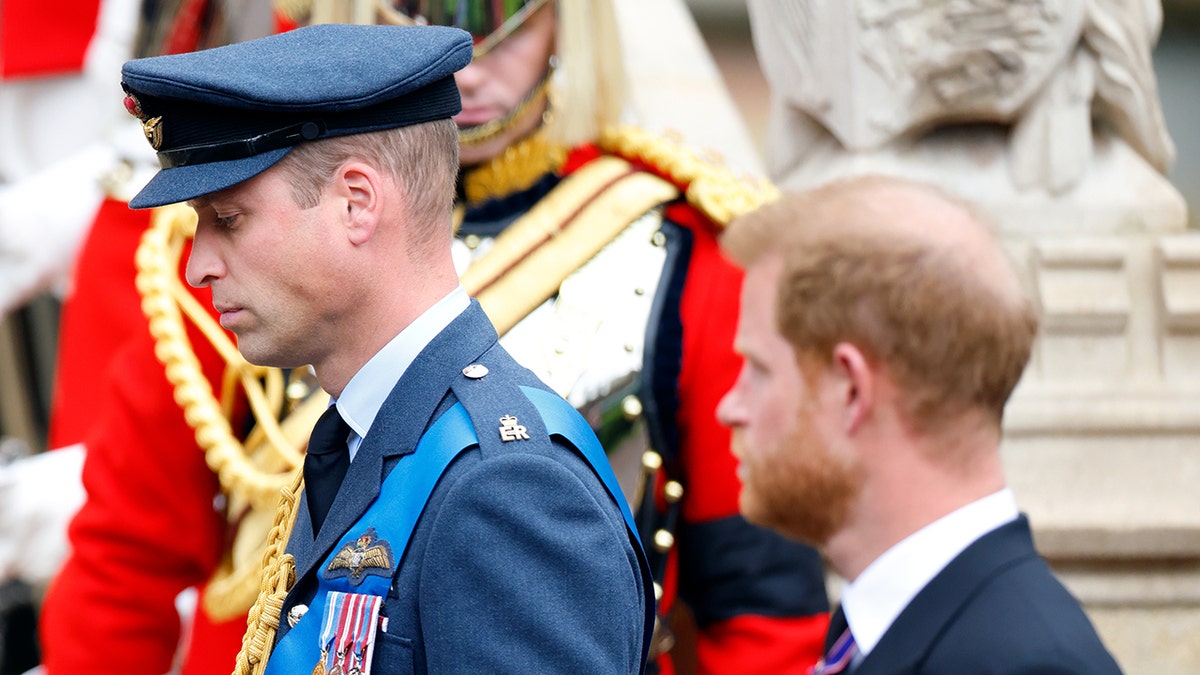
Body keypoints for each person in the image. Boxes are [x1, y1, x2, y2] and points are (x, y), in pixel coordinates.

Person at [117, 22, 653, 673]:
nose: (198, 265)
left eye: (228, 219)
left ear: (356, 203)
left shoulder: (507, 488)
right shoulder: (360, 434)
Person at [716, 174, 1124, 674]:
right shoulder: (895, 626)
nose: (729, 407)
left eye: (758, 369)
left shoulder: (1024, 664)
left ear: (850, 390)